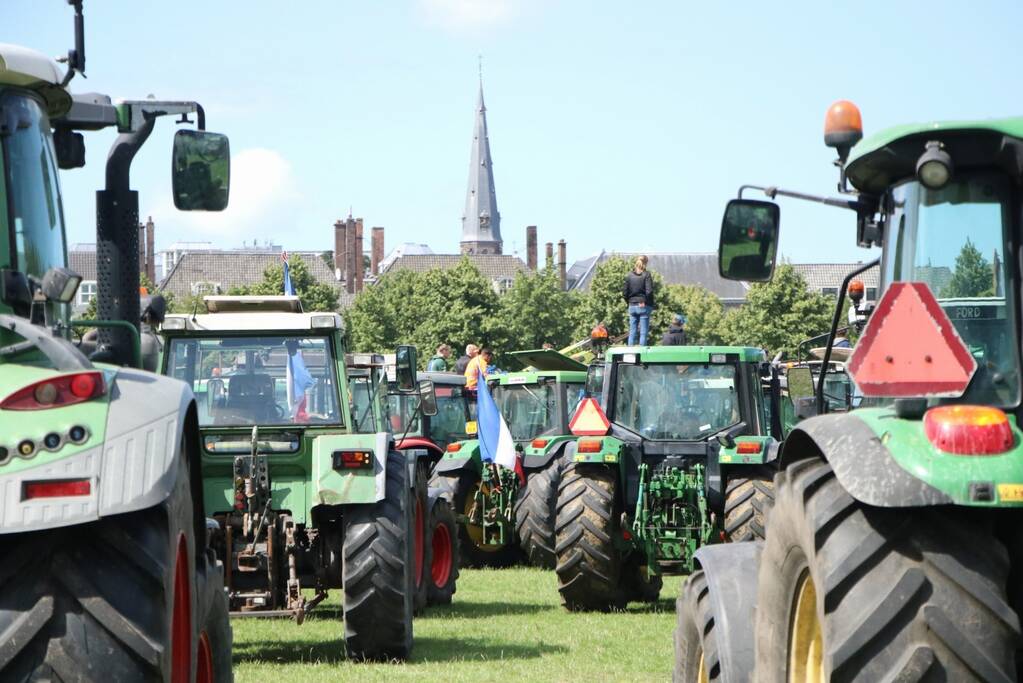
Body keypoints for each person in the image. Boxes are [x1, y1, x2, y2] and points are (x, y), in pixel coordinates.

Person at [623, 255, 654, 345]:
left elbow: (624, 292)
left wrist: (629, 302)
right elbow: (649, 291)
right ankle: (642, 352)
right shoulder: (646, 274)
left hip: (632, 305)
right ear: (646, 263)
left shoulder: (629, 275)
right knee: (643, 333)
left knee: (632, 332)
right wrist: (644, 301)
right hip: (643, 305)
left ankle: (630, 351)